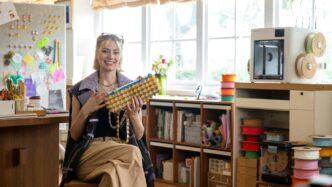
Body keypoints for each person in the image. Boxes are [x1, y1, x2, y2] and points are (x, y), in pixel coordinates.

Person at [60, 34, 154, 187]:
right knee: (133, 152)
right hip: (89, 155)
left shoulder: (131, 88)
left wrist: (133, 115)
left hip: (120, 155)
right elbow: (75, 135)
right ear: (97, 54)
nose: (111, 56)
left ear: (120, 56)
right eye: (105, 51)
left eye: (116, 52)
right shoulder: (81, 89)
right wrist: (86, 110)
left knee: (113, 174)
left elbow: (140, 134)